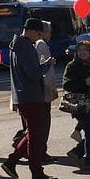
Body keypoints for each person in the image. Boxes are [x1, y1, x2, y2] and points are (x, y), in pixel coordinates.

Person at [1, 19, 58, 179]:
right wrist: (46, 65)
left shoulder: (15, 45)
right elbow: (33, 73)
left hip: (23, 95)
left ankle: (12, 163)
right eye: (38, 34)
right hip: (31, 95)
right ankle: (36, 173)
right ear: (32, 31)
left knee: (33, 132)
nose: (38, 38)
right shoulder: (26, 47)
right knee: (35, 135)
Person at [63, 41, 90, 170]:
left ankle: (77, 152)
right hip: (80, 105)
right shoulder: (72, 66)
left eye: (85, 50)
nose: (82, 53)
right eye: (80, 50)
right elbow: (66, 85)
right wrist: (84, 83)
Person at [34, 21, 59, 161]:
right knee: (44, 123)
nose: (50, 34)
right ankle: (41, 152)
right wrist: (51, 88)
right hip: (44, 90)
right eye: (49, 31)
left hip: (39, 90)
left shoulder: (35, 44)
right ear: (42, 32)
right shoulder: (41, 44)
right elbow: (45, 69)